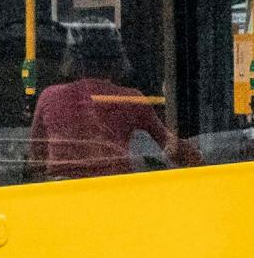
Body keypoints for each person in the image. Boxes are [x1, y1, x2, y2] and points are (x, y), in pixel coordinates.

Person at [28, 25, 197, 179]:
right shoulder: (130, 98)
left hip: (62, 192)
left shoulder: (49, 96)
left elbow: (36, 157)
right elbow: (172, 148)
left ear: (72, 59)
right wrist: (201, 161)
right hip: (115, 190)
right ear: (118, 60)